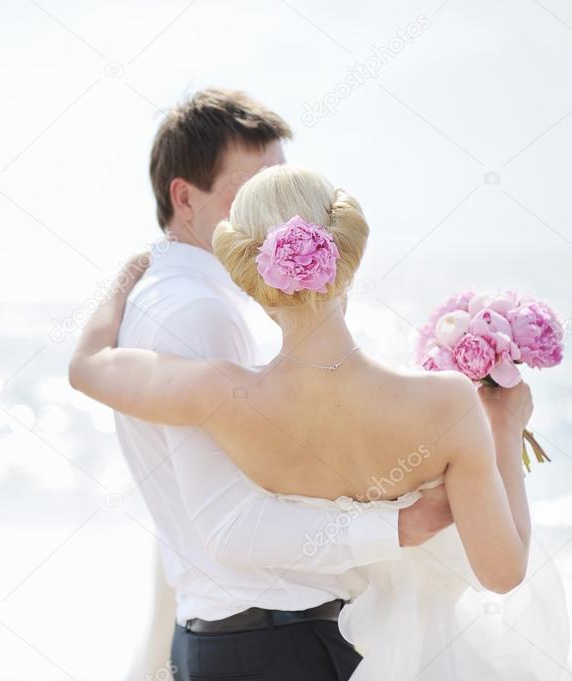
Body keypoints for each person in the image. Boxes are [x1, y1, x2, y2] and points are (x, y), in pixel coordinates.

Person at [71, 164, 568, 680]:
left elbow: (86, 369)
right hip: (372, 651)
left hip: (251, 648)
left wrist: (124, 284)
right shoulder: (446, 403)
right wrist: (505, 429)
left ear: (248, 276)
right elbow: (503, 571)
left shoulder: (219, 393)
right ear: (349, 258)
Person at [108, 90, 453, 681]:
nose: (277, 215)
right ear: (184, 198)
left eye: (284, 186)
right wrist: (398, 524)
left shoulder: (178, 299)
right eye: (251, 192)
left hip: (237, 635)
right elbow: (229, 525)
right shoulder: (201, 316)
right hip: (269, 641)